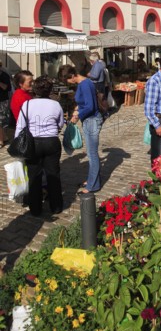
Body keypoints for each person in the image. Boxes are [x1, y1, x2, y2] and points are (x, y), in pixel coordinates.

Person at [15, 76, 64, 216]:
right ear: (49, 90)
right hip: (51, 142)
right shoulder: (56, 105)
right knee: (53, 174)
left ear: (35, 89)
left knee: (34, 176)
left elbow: (20, 127)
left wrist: (18, 146)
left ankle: (35, 209)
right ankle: (56, 206)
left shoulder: (27, 104)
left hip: (33, 142)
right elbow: (60, 124)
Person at [59, 64, 103, 194]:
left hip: (92, 120)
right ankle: (91, 180)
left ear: (72, 76)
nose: (67, 83)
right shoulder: (83, 83)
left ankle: (93, 186)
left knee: (92, 154)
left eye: (66, 80)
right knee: (91, 153)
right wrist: (77, 109)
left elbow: (90, 106)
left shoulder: (85, 84)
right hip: (89, 120)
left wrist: (78, 115)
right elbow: (84, 102)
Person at [0, 61, 12, 148]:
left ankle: (1, 141)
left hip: (2, 101)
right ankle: (4, 137)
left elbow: (6, 88)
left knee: (1, 121)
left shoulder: (4, 75)